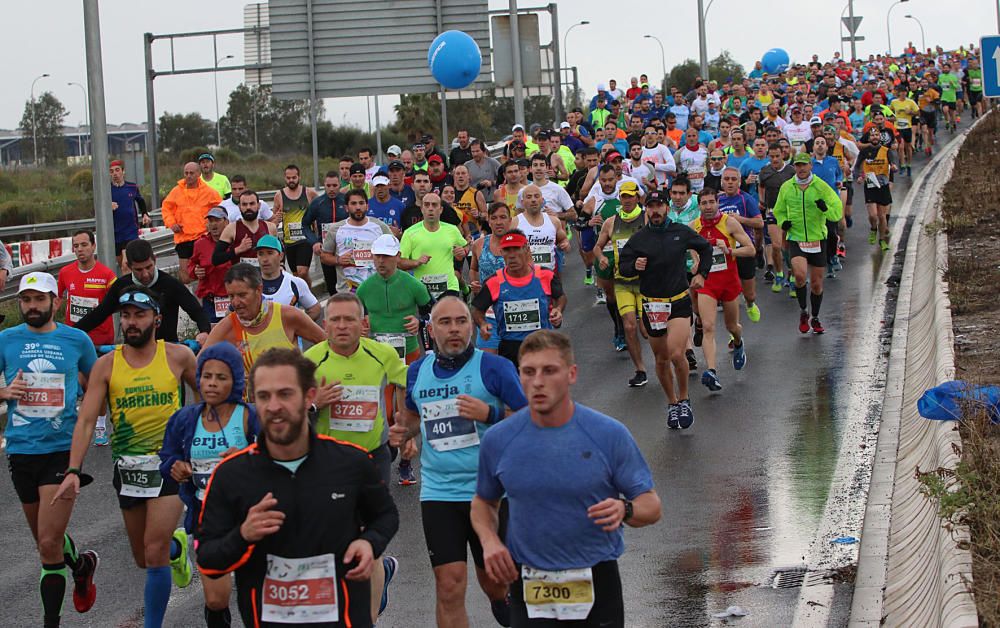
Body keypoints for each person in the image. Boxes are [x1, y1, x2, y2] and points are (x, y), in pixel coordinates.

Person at [196, 348, 400, 628]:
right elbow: (208, 559)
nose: (274, 406)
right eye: (264, 396)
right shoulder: (232, 475)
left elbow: (386, 516)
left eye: (285, 394)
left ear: (309, 397)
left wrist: (370, 542)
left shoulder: (350, 463)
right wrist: (243, 534)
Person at [471, 330, 661, 628]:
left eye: (549, 371)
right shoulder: (499, 440)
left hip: (596, 580)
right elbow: (483, 502)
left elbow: (651, 505)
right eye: (528, 372)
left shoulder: (608, 434)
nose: (537, 382)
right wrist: (490, 541)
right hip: (530, 583)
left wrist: (625, 510)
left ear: (571, 374)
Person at [54, 286, 199, 628]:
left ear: (157, 320)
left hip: (170, 465)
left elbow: (206, 398)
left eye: (140, 315)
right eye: (127, 317)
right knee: (143, 557)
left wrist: (202, 443)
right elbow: (88, 419)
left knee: (152, 551)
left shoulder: (178, 356)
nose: (131, 323)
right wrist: (74, 469)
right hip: (129, 468)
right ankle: (176, 552)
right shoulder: (107, 365)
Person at [388, 296, 528, 628]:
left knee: (496, 581)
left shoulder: (493, 368)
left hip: (491, 493)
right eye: (445, 322)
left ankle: (502, 601)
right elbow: (410, 416)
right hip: (439, 493)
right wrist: (403, 435)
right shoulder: (418, 371)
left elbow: (530, 417)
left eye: (461, 321)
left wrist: (489, 413)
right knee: (449, 585)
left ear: (471, 326)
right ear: (431, 330)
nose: (454, 329)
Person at [1, 272, 100, 628]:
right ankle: (82, 565)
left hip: (61, 450)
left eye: (39, 299)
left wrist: (92, 409)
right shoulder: (6, 340)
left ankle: (50, 622)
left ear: (55, 302)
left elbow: (97, 384)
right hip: (21, 450)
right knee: (47, 541)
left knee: (47, 545)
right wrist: (2, 393)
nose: (32, 306)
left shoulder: (77, 340)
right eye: (26, 300)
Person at [303, 293, 405, 623]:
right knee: (331, 537)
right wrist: (316, 404)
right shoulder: (310, 361)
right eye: (335, 320)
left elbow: (407, 382)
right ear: (325, 324)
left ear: (363, 323)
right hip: (325, 462)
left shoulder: (382, 355)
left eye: (350, 319)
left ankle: (368, 617)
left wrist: (402, 423)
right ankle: (376, 576)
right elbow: (294, 414)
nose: (343, 326)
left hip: (371, 457)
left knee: (366, 538)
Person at [158, 343, 261, 628]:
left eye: (221, 377)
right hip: (208, 517)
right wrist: (174, 467)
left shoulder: (250, 416)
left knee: (255, 599)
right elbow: (167, 457)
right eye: (207, 376)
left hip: (251, 517)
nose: (212, 384)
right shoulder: (185, 419)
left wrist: (247, 456)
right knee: (216, 601)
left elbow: (278, 458)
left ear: (236, 381)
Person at [619, 191, 712, 429]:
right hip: (652, 305)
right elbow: (624, 266)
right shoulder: (639, 239)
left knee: (676, 353)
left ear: (666, 208)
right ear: (646, 209)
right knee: (661, 360)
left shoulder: (680, 232)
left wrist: (701, 274)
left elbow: (705, 248)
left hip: (679, 301)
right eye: (651, 206)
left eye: (659, 205)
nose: (655, 210)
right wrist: (634, 266)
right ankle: (672, 404)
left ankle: (684, 399)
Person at [356, 234, 433, 485]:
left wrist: (419, 321)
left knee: (406, 411)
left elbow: (431, 314)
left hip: (407, 354)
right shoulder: (365, 288)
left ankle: (406, 463)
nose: (381, 261)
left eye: (387, 256)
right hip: (378, 359)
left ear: (397, 257)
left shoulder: (413, 285)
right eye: (377, 256)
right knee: (386, 412)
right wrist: (362, 329)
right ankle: (385, 459)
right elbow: (359, 319)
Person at [76, 239, 211, 346]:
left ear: (155, 260)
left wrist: (204, 332)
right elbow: (99, 314)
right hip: (133, 354)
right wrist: (69, 334)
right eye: (139, 270)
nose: (145, 274)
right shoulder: (121, 285)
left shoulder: (171, 284)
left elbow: (196, 311)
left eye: (149, 267)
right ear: (129, 266)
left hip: (167, 351)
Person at [201, 264, 326, 375]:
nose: (235, 302)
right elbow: (199, 364)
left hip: (290, 399)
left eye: (242, 295)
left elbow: (327, 344)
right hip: (252, 400)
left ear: (259, 290)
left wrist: (313, 379)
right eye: (231, 296)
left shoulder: (287, 315)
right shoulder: (227, 326)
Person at [689, 186, 755, 392]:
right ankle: (711, 371)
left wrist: (730, 250)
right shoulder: (694, 227)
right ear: (699, 206)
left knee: (731, 326)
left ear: (717, 203)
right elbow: (692, 249)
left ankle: (738, 342)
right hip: (707, 283)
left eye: (711, 202)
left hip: (728, 283)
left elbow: (751, 249)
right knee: (708, 326)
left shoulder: (729, 222)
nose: (708, 207)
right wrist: (695, 261)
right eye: (704, 203)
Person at [472, 230, 567, 367]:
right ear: (501, 252)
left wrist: (558, 309)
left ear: (526, 249)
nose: (512, 256)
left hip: (542, 344)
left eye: (516, 249)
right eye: (507, 250)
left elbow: (561, 296)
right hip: (510, 348)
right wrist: (482, 324)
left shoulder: (545, 275)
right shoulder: (494, 282)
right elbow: (477, 308)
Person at [773, 152, 843, 335]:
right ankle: (804, 311)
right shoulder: (787, 187)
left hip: (817, 239)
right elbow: (779, 210)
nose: (801, 169)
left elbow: (837, 212)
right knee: (800, 276)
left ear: (810, 166)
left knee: (817, 285)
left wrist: (825, 209)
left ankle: (816, 317)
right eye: (798, 165)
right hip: (796, 238)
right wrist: (783, 222)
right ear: (794, 166)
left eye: (804, 165)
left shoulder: (821, 186)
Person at [594, 181, 648, 387]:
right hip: (622, 282)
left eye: (630, 196)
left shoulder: (646, 217)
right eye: (623, 197)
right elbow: (598, 247)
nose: (626, 200)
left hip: (645, 282)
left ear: (637, 197)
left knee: (646, 330)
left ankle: (665, 358)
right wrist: (601, 258)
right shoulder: (610, 222)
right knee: (629, 326)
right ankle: (640, 370)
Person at [320, 189, 393, 294]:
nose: (358, 207)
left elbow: (394, 253)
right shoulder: (336, 229)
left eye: (361, 203)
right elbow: (324, 256)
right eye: (353, 203)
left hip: (377, 289)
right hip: (347, 291)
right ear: (346, 208)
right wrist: (338, 260)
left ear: (367, 206)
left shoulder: (380, 227)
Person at [399, 192, 469, 299]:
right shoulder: (410, 233)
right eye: (427, 205)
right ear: (422, 209)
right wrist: (416, 262)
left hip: (449, 287)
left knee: (446, 315)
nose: (430, 208)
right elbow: (399, 262)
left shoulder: (452, 230)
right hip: (422, 289)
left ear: (440, 210)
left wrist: (463, 252)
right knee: (427, 316)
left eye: (434, 205)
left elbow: (465, 246)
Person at [717, 167, 764, 323]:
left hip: (743, 249)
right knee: (730, 293)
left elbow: (759, 222)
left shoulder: (746, 199)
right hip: (724, 251)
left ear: (739, 182)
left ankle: (750, 304)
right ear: (722, 182)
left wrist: (740, 219)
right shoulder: (717, 201)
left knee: (749, 294)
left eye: (733, 179)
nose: (730, 182)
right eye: (727, 179)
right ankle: (733, 329)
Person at [162, 162, 222, 284]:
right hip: (183, 238)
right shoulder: (176, 191)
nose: (188, 176)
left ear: (199, 174)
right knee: (185, 276)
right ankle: (189, 298)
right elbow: (166, 208)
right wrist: (172, 223)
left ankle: (204, 294)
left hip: (202, 237)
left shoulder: (209, 192)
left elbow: (220, 211)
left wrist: (212, 225)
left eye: (191, 173)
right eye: (186, 173)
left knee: (205, 271)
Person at [470, 203, 512, 355]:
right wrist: (475, 284)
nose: (498, 222)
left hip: (512, 312)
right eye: (494, 218)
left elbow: (529, 274)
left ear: (510, 220)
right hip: (488, 314)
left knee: (515, 365)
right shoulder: (479, 244)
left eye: (503, 217)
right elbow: (474, 269)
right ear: (488, 221)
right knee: (488, 364)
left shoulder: (520, 245)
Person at [757, 142, 796, 295]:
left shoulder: (791, 171)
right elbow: (761, 185)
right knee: (776, 245)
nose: (774, 159)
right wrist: (762, 201)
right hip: (772, 211)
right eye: (771, 156)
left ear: (783, 155)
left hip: (789, 212)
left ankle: (792, 277)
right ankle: (779, 274)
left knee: (787, 246)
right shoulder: (765, 171)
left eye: (777, 156)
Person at [303, 170, 349, 295]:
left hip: (345, 249)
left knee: (347, 285)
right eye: (328, 186)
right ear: (324, 185)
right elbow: (305, 224)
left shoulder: (346, 201)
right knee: (331, 286)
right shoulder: (318, 203)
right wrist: (314, 242)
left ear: (340, 185)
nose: (332, 189)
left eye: (335, 186)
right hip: (326, 250)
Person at [255, 235, 322, 320]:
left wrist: (298, 329)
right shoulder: (250, 285)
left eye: (270, 253)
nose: (265, 259)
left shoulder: (295, 283)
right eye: (261, 254)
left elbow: (315, 309)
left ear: (281, 256)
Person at [271, 164, 319, 282]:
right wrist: (275, 219)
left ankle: (308, 296)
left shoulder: (309, 193)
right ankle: (305, 295)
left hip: (305, 238)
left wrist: (317, 231)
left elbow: (319, 209)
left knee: (302, 271)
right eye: (288, 178)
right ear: (285, 178)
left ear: (299, 177)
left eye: (294, 177)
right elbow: (273, 219)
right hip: (289, 240)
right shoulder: (279, 195)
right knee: (296, 274)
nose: (291, 180)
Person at [854, 127, 898, 252]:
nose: (874, 137)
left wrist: (894, 167)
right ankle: (874, 228)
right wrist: (858, 177)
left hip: (883, 185)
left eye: (877, 135)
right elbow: (857, 166)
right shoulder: (864, 151)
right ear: (869, 138)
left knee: (882, 216)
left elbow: (893, 164)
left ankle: (882, 240)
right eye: (872, 135)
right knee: (873, 216)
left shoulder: (886, 150)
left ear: (880, 137)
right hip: (870, 185)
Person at [510, 185, 570, 274]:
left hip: (549, 274)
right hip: (523, 275)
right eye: (529, 197)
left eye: (536, 196)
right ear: (522, 202)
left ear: (542, 200)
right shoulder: (514, 223)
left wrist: (565, 244)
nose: (533, 200)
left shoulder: (554, 221)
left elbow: (564, 241)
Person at [189, 207, 233, 325]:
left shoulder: (235, 241)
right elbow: (191, 265)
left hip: (233, 297)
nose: (213, 224)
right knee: (212, 335)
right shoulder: (200, 244)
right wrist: (195, 271)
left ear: (226, 222)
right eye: (210, 221)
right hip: (210, 300)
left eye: (217, 220)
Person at [214, 189, 278, 267]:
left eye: (252, 204)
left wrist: (281, 265)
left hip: (265, 276)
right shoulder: (231, 229)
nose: (248, 207)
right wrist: (238, 249)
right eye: (244, 204)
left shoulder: (270, 227)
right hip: (241, 277)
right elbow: (216, 259)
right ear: (239, 207)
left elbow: (279, 252)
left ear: (259, 206)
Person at [109, 159, 151, 271]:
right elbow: (98, 207)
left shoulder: (132, 187)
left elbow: (140, 200)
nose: (115, 174)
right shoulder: (107, 190)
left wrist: (145, 214)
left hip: (130, 232)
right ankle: (132, 284)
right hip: (115, 234)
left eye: (117, 170)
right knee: (123, 265)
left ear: (123, 171)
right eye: (112, 171)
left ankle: (129, 288)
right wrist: (108, 206)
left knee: (126, 264)